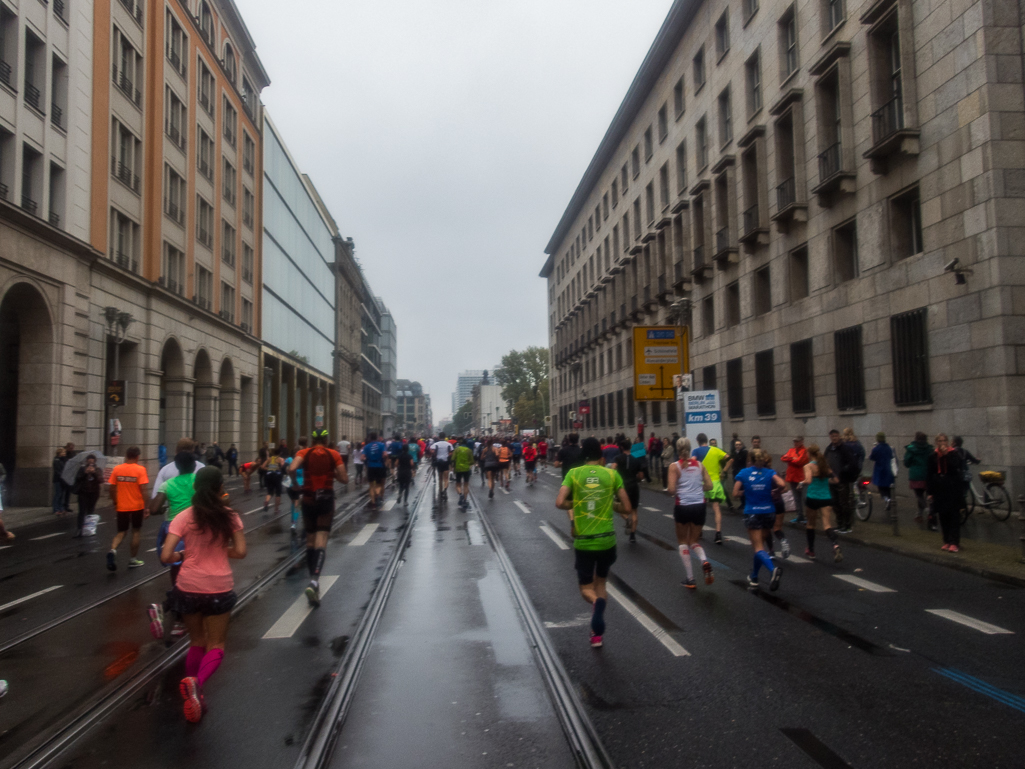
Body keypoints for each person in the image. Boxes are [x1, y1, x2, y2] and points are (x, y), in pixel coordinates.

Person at [161, 467, 246, 723]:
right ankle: (197, 685)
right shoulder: (230, 516)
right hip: (219, 587)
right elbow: (241, 552)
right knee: (216, 645)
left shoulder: (184, 517)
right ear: (221, 487)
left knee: (196, 642)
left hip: (189, 586)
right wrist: (220, 552)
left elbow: (166, 557)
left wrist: (183, 556)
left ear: (196, 487)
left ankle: (193, 692)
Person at [555, 437, 635, 648]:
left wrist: (577, 503)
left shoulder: (574, 474)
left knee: (586, 590)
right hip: (607, 541)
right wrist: (609, 504)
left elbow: (560, 502)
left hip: (585, 543)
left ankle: (596, 605)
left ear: (583, 454)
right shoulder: (611, 474)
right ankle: (596, 634)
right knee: (601, 584)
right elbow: (627, 508)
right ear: (600, 455)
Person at [290, 429, 347, 606]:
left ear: (312, 440)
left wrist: (296, 485)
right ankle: (314, 581)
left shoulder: (303, 453)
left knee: (310, 541)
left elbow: (291, 468)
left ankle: (312, 581)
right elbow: (344, 479)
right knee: (321, 540)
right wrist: (334, 474)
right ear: (326, 439)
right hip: (326, 500)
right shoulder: (333, 454)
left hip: (308, 499)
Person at [147, 451, 197, 640]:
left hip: (172, 531)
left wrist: (163, 506)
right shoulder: (197, 481)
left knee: (176, 574)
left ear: (177, 466)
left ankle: (171, 611)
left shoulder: (168, 484)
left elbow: (153, 509)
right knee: (190, 575)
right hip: (193, 529)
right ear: (193, 465)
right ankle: (175, 616)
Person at [733, 449, 786, 591]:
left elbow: (735, 493)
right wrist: (776, 491)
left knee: (757, 548)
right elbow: (782, 484)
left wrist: (746, 491)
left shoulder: (744, 473)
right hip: (769, 512)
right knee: (760, 547)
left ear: (749, 460)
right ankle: (754, 577)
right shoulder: (770, 472)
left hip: (753, 513)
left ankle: (772, 569)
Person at [668, 438, 714, 589]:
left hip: (683, 506)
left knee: (682, 542)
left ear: (677, 449)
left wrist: (680, 488)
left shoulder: (674, 466)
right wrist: (697, 487)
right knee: (694, 541)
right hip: (699, 506)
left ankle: (690, 578)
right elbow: (709, 485)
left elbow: (672, 490)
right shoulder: (700, 465)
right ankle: (704, 560)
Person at [107, 446, 150, 571]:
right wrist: (146, 507)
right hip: (137, 506)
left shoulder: (117, 469)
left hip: (122, 506)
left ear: (126, 455)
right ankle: (132, 559)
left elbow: (111, 488)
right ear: (137, 457)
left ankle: (113, 550)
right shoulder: (140, 470)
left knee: (121, 532)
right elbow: (144, 490)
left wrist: (115, 502)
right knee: (136, 531)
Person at [803, 444, 842, 562]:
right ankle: (835, 545)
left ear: (809, 454)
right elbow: (836, 480)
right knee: (827, 524)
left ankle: (811, 550)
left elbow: (808, 480)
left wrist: (801, 482)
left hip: (812, 497)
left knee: (811, 524)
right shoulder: (825, 466)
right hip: (826, 497)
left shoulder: (808, 466)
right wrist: (826, 481)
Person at [928, 434, 966, 552]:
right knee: (943, 516)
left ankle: (955, 542)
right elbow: (929, 474)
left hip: (953, 488)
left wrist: (946, 455)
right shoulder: (933, 456)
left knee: (954, 515)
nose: (942, 443)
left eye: (944, 440)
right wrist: (930, 492)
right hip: (940, 489)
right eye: (940, 441)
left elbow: (956, 467)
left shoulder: (954, 454)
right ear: (936, 442)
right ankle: (946, 540)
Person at [692, 433, 731, 545]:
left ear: (698, 441)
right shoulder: (716, 450)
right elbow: (730, 459)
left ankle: (699, 531)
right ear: (707, 440)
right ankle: (718, 533)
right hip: (715, 483)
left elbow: (693, 463)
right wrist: (724, 471)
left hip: (702, 484)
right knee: (716, 508)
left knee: (700, 508)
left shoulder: (696, 451)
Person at [825, 430, 858, 534]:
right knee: (835, 503)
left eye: (836, 436)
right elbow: (825, 461)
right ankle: (839, 524)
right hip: (832, 480)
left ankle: (847, 525)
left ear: (839, 436)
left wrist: (843, 471)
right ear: (830, 437)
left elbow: (852, 463)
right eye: (832, 436)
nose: (834, 438)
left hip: (842, 480)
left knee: (844, 503)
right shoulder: (829, 449)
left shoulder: (845, 448)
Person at [611, 441, 642, 543]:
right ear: (630, 448)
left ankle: (627, 519)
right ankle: (632, 535)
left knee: (620, 509)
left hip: (622, 487)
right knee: (634, 511)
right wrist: (636, 478)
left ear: (621, 447)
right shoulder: (636, 459)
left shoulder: (618, 458)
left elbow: (613, 469)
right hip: (634, 486)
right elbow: (641, 476)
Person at [904, 432, 934, 530]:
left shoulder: (911, 449)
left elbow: (907, 463)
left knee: (919, 495)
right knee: (927, 495)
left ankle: (927, 510)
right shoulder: (930, 449)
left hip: (916, 475)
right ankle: (920, 514)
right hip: (928, 475)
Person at [781, 436, 810, 524]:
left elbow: (800, 461)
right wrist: (792, 458)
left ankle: (805, 517)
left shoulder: (804, 451)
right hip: (792, 477)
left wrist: (790, 459)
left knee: (803, 498)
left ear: (802, 441)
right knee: (796, 498)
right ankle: (799, 516)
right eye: (794, 442)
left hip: (801, 478)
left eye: (797, 441)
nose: (795, 443)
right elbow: (783, 458)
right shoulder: (791, 450)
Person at [73, 455, 104, 538]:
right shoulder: (82, 469)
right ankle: (79, 530)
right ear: (86, 461)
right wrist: (85, 473)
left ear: (94, 462)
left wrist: (94, 474)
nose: (90, 464)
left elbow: (101, 480)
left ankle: (89, 529)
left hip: (93, 493)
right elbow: (77, 479)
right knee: (82, 511)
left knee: (90, 511)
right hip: (83, 492)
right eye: (89, 462)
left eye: (92, 462)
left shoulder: (98, 469)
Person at [951, 436, 980, 514]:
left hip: (957, 476)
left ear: (954, 443)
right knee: (964, 492)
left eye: (952, 441)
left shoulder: (952, 451)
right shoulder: (965, 451)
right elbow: (974, 460)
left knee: (956, 492)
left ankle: (960, 508)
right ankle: (963, 507)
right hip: (966, 475)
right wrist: (978, 460)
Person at [868, 433, 896, 505]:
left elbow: (871, 457)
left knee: (881, 488)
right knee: (888, 487)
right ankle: (889, 499)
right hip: (888, 470)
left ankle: (886, 499)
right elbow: (892, 456)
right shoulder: (889, 448)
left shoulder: (876, 448)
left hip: (879, 471)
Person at [362, 433, 387, 508]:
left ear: (370, 438)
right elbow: (385, 455)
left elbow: (362, 457)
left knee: (371, 486)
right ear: (377, 437)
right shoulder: (381, 445)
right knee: (378, 484)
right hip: (379, 466)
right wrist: (383, 459)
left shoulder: (366, 446)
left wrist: (366, 460)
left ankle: (373, 503)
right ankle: (377, 495)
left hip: (370, 467)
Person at [261, 445, 286, 514]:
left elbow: (262, 466)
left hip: (269, 476)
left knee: (270, 491)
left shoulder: (269, 459)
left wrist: (268, 468)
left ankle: (267, 501)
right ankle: (276, 509)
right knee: (278, 493)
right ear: (280, 453)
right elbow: (283, 467)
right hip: (277, 476)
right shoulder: (280, 459)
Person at [452, 438, 474, 508]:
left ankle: (460, 494)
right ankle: (464, 499)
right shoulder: (469, 450)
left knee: (458, 485)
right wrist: (466, 462)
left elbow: (452, 458)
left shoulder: (457, 449)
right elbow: (472, 461)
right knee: (466, 485)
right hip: (466, 469)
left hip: (458, 469)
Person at [431, 433, 454, 498]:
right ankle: (445, 490)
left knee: (440, 478)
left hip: (439, 462)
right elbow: (451, 452)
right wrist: (447, 455)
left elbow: (432, 451)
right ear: (445, 437)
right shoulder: (449, 444)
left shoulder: (436, 444)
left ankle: (441, 491)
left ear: (439, 437)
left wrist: (436, 454)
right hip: (446, 462)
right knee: (446, 478)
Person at [52, 448, 67, 515]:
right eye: (63, 452)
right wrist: (63, 476)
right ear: (59, 453)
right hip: (58, 479)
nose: (64, 454)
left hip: (63, 479)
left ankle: (61, 508)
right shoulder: (56, 460)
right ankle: (56, 509)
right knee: (58, 494)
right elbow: (58, 470)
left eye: (64, 452)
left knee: (62, 494)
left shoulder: (63, 460)